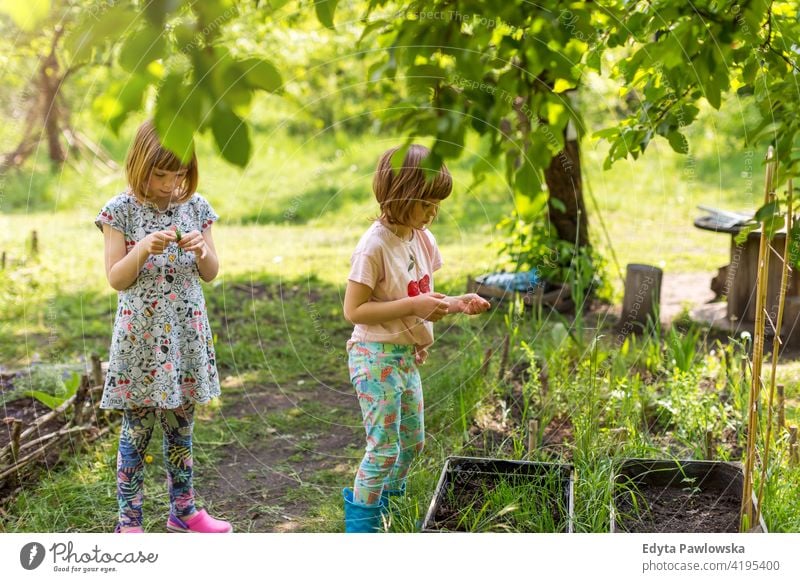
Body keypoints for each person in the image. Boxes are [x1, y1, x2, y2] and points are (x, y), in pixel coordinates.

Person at [342, 144, 491, 532]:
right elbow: (354, 311)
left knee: (412, 444)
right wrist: (413, 309)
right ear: (400, 195)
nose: (433, 212)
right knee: (384, 449)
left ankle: (389, 512)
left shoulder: (422, 237)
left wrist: (457, 303)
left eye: (437, 204)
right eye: (426, 203)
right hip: (374, 357)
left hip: (404, 357)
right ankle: (362, 531)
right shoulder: (373, 246)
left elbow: (419, 295)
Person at [95, 120, 231, 533]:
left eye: (179, 175)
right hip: (141, 341)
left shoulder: (196, 206)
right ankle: (129, 521)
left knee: (181, 426)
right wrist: (143, 249)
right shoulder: (119, 211)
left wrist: (202, 248)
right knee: (136, 429)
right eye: (161, 175)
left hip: (185, 335)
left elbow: (211, 272)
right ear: (140, 166)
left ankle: (184, 511)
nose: (171, 185)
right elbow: (116, 278)